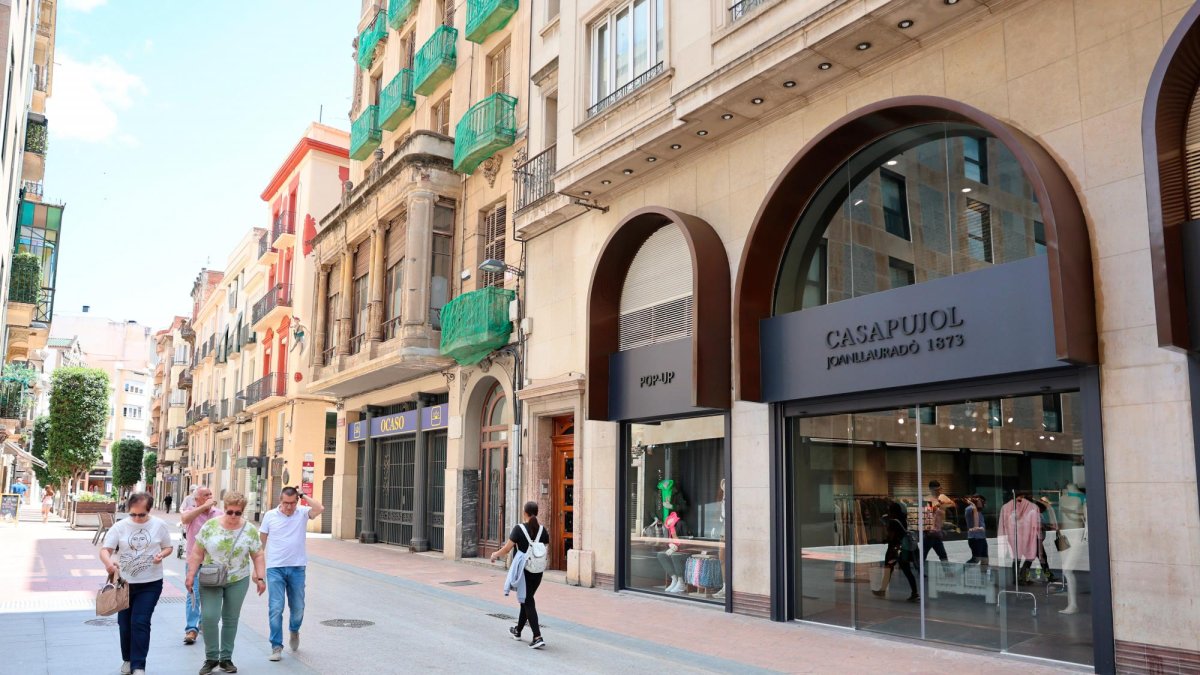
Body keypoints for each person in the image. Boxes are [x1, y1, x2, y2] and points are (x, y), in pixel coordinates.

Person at [186, 492, 265, 675]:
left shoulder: (249, 530)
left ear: (242, 511)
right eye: (230, 512)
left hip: (238, 579)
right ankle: (211, 658)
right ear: (225, 509)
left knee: (230, 618)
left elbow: (258, 554)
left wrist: (260, 577)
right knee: (209, 617)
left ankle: (226, 658)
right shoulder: (210, 526)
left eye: (238, 513)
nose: (233, 516)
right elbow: (197, 553)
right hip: (211, 577)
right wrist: (190, 575)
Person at [99, 492, 174, 675]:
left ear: (149, 510)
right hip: (124, 584)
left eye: (142, 515)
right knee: (124, 624)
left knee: (140, 622)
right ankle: (128, 659)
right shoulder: (120, 527)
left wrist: (162, 554)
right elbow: (105, 550)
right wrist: (109, 563)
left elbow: (168, 547)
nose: (137, 518)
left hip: (151, 583)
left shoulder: (159, 525)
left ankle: (138, 665)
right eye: (133, 514)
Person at [259, 487, 324, 662]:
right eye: (285, 503)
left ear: (297, 501)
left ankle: (294, 630)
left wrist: (303, 495)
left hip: (297, 568)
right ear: (280, 500)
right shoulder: (270, 516)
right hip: (275, 568)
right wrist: (258, 570)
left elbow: (319, 508)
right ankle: (276, 646)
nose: (289, 507)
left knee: (298, 608)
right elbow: (261, 544)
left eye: (292, 503)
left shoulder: (302, 513)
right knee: (276, 608)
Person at [490, 501, 550, 649]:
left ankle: (537, 636)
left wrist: (495, 555)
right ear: (536, 513)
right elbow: (543, 549)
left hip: (524, 571)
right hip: (538, 571)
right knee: (526, 599)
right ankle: (518, 631)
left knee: (527, 600)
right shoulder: (543, 530)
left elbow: (507, 549)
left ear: (525, 513)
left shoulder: (519, 529)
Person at [180, 486, 222, 645]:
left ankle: (204, 623)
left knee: (210, 595)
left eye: (210, 494)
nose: (209, 497)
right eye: (205, 495)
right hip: (194, 561)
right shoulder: (191, 511)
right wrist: (203, 507)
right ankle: (191, 629)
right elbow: (184, 519)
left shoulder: (219, 513)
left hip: (213, 562)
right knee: (194, 594)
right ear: (196, 499)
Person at [874, 501, 919, 602]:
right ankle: (915, 592)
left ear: (892, 511)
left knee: (888, 569)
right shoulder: (903, 519)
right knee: (907, 571)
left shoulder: (893, 521)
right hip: (903, 549)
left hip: (894, 549)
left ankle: (882, 590)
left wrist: (884, 540)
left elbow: (891, 536)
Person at [922, 480, 952, 564]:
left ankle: (947, 571)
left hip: (937, 533)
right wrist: (934, 507)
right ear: (931, 490)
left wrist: (944, 504)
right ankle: (919, 569)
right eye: (936, 490)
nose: (939, 492)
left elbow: (952, 504)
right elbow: (924, 515)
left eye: (939, 489)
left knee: (942, 555)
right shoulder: (926, 499)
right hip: (929, 533)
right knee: (924, 555)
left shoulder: (940, 499)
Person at [964, 495, 989, 566]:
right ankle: (962, 570)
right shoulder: (970, 509)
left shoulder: (979, 511)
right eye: (982, 502)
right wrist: (971, 502)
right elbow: (972, 509)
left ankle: (983, 573)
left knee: (985, 559)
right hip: (975, 538)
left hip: (982, 538)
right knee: (976, 559)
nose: (984, 504)